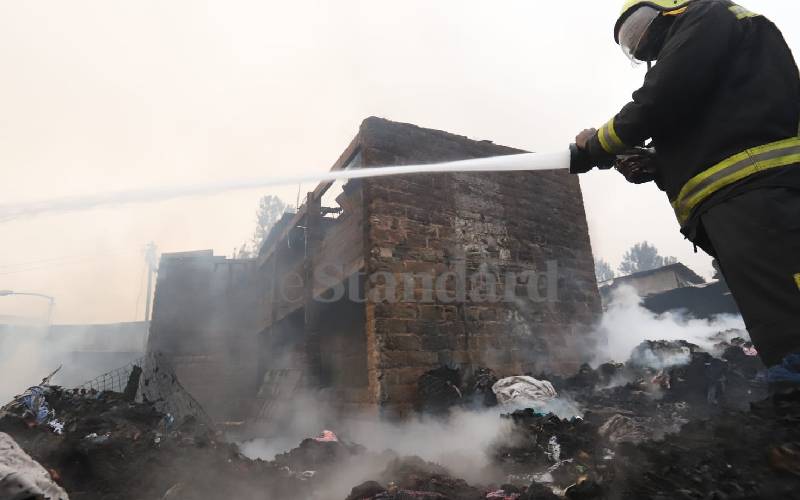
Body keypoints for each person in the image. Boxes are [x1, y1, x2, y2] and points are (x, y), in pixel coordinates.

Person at [573, 0, 800, 386]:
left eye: (638, 27)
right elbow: (711, 128)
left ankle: (792, 400)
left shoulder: (709, 16)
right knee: (769, 313)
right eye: (630, 41)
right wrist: (658, 162)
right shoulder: (712, 50)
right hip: (739, 202)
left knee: (784, 310)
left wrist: (595, 146)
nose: (640, 42)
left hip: (758, 195)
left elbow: (661, 97)